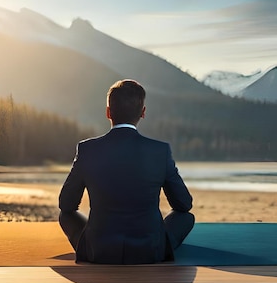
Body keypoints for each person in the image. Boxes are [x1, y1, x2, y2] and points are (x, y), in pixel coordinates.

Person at [58, 79, 195, 264]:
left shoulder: (87, 149)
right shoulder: (159, 151)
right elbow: (183, 204)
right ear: (143, 113)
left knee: (65, 216)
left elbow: (66, 204)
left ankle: (92, 242)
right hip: (149, 251)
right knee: (186, 218)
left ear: (108, 112)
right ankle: (155, 243)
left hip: (99, 251)